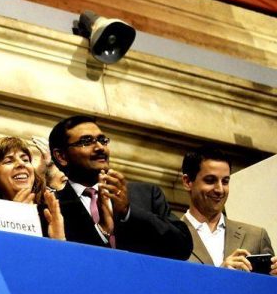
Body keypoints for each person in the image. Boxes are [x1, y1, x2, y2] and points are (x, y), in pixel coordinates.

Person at [48, 114, 191, 259]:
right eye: (86, 141)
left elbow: (183, 247)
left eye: (102, 140)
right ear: (61, 156)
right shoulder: (52, 208)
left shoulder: (146, 195)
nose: (99, 147)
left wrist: (127, 212)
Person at [181, 146, 276, 275]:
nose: (220, 189)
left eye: (225, 181)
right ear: (187, 182)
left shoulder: (256, 237)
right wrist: (223, 275)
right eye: (210, 180)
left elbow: (268, 292)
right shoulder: (169, 238)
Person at [0, 136, 65, 240]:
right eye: (8, 161)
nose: (21, 164)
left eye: (25, 160)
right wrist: (17, 221)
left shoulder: (50, 216)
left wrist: (59, 241)